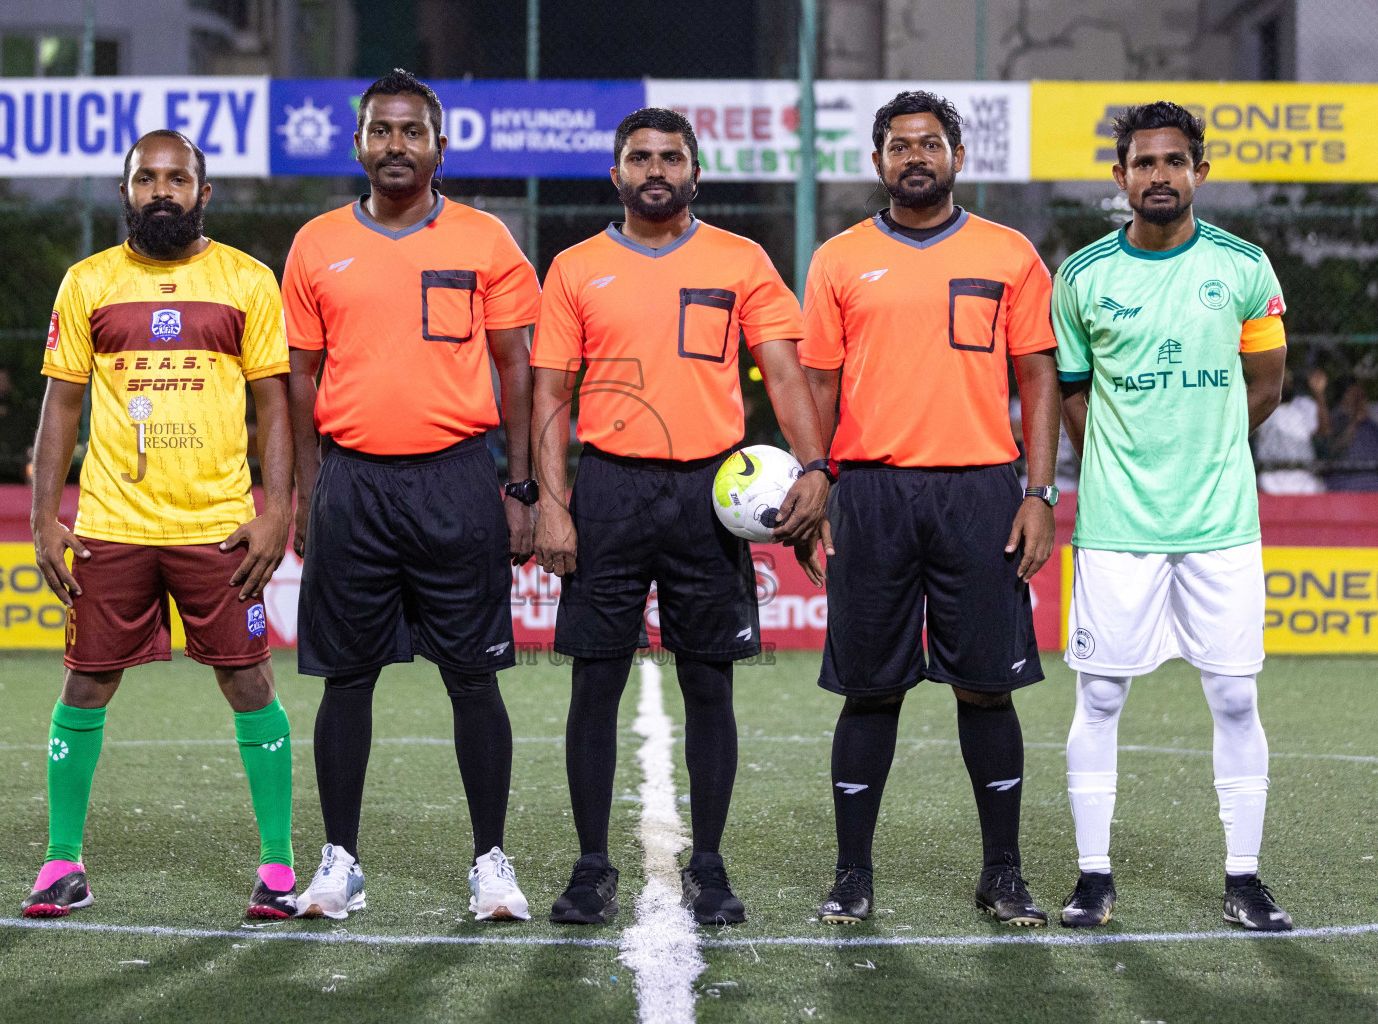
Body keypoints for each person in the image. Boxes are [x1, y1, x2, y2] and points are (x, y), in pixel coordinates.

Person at [531, 107, 830, 927]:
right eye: (639, 157)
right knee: (593, 685)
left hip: (711, 497)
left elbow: (785, 372)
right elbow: (549, 394)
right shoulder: (575, 267)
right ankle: (592, 867)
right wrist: (554, 506)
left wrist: (816, 468)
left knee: (710, 685)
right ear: (616, 173)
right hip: (611, 491)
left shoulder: (741, 261)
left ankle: (709, 864)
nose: (654, 168)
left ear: (695, 172)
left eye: (670, 157)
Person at [283, 70, 541, 923]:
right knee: (345, 679)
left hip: (458, 478)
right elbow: (300, 379)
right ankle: (339, 862)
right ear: (357, 143)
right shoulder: (317, 243)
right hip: (353, 480)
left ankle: (491, 863)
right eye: (381, 131)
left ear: (439, 146)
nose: (396, 145)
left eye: (412, 132)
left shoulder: (486, 239)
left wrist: (522, 487)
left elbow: (517, 370)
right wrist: (306, 492)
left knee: (474, 678)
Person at [799, 91, 1061, 928]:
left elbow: (1038, 379)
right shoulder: (838, 258)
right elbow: (818, 387)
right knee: (869, 691)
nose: (917, 156)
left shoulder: (1010, 252)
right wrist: (820, 487)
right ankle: (851, 874)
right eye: (900, 145)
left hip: (982, 490)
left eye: (932, 143)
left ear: (957, 156)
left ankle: (1004, 873)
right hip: (872, 491)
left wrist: (1040, 491)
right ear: (877, 163)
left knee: (986, 689)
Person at [24, 130, 296, 920]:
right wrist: (45, 515)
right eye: (147, 178)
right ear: (126, 192)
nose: (163, 189)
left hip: (218, 525)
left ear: (204, 191)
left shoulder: (247, 280)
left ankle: (277, 866)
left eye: (178, 177)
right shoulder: (88, 283)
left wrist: (275, 510)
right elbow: (61, 407)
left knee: (248, 679)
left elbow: (274, 405)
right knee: (86, 679)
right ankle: (60, 862)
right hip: (112, 523)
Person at [1054, 102, 1293, 931]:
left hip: (1221, 526)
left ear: (1199, 170)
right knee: (1102, 696)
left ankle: (1244, 877)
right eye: (1144, 163)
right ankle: (1092, 877)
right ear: (1120, 177)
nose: (1160, 175)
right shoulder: (1081, 277)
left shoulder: (1245, 267)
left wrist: (1206, 447)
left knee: (1234, 697)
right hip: (1118, 529)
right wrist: (1129, 460)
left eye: (1175, 161)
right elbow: (1073, 396)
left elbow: (1266, 384)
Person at [1322, 380, 1378, 492]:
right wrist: (1355, 421)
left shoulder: (1372, 425)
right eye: (1356, 396)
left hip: (1375, 489)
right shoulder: (1334, 419)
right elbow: (1333, 448)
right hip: (1346, 488)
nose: (1361, 400)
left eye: (1363, 396)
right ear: (1345, 396)